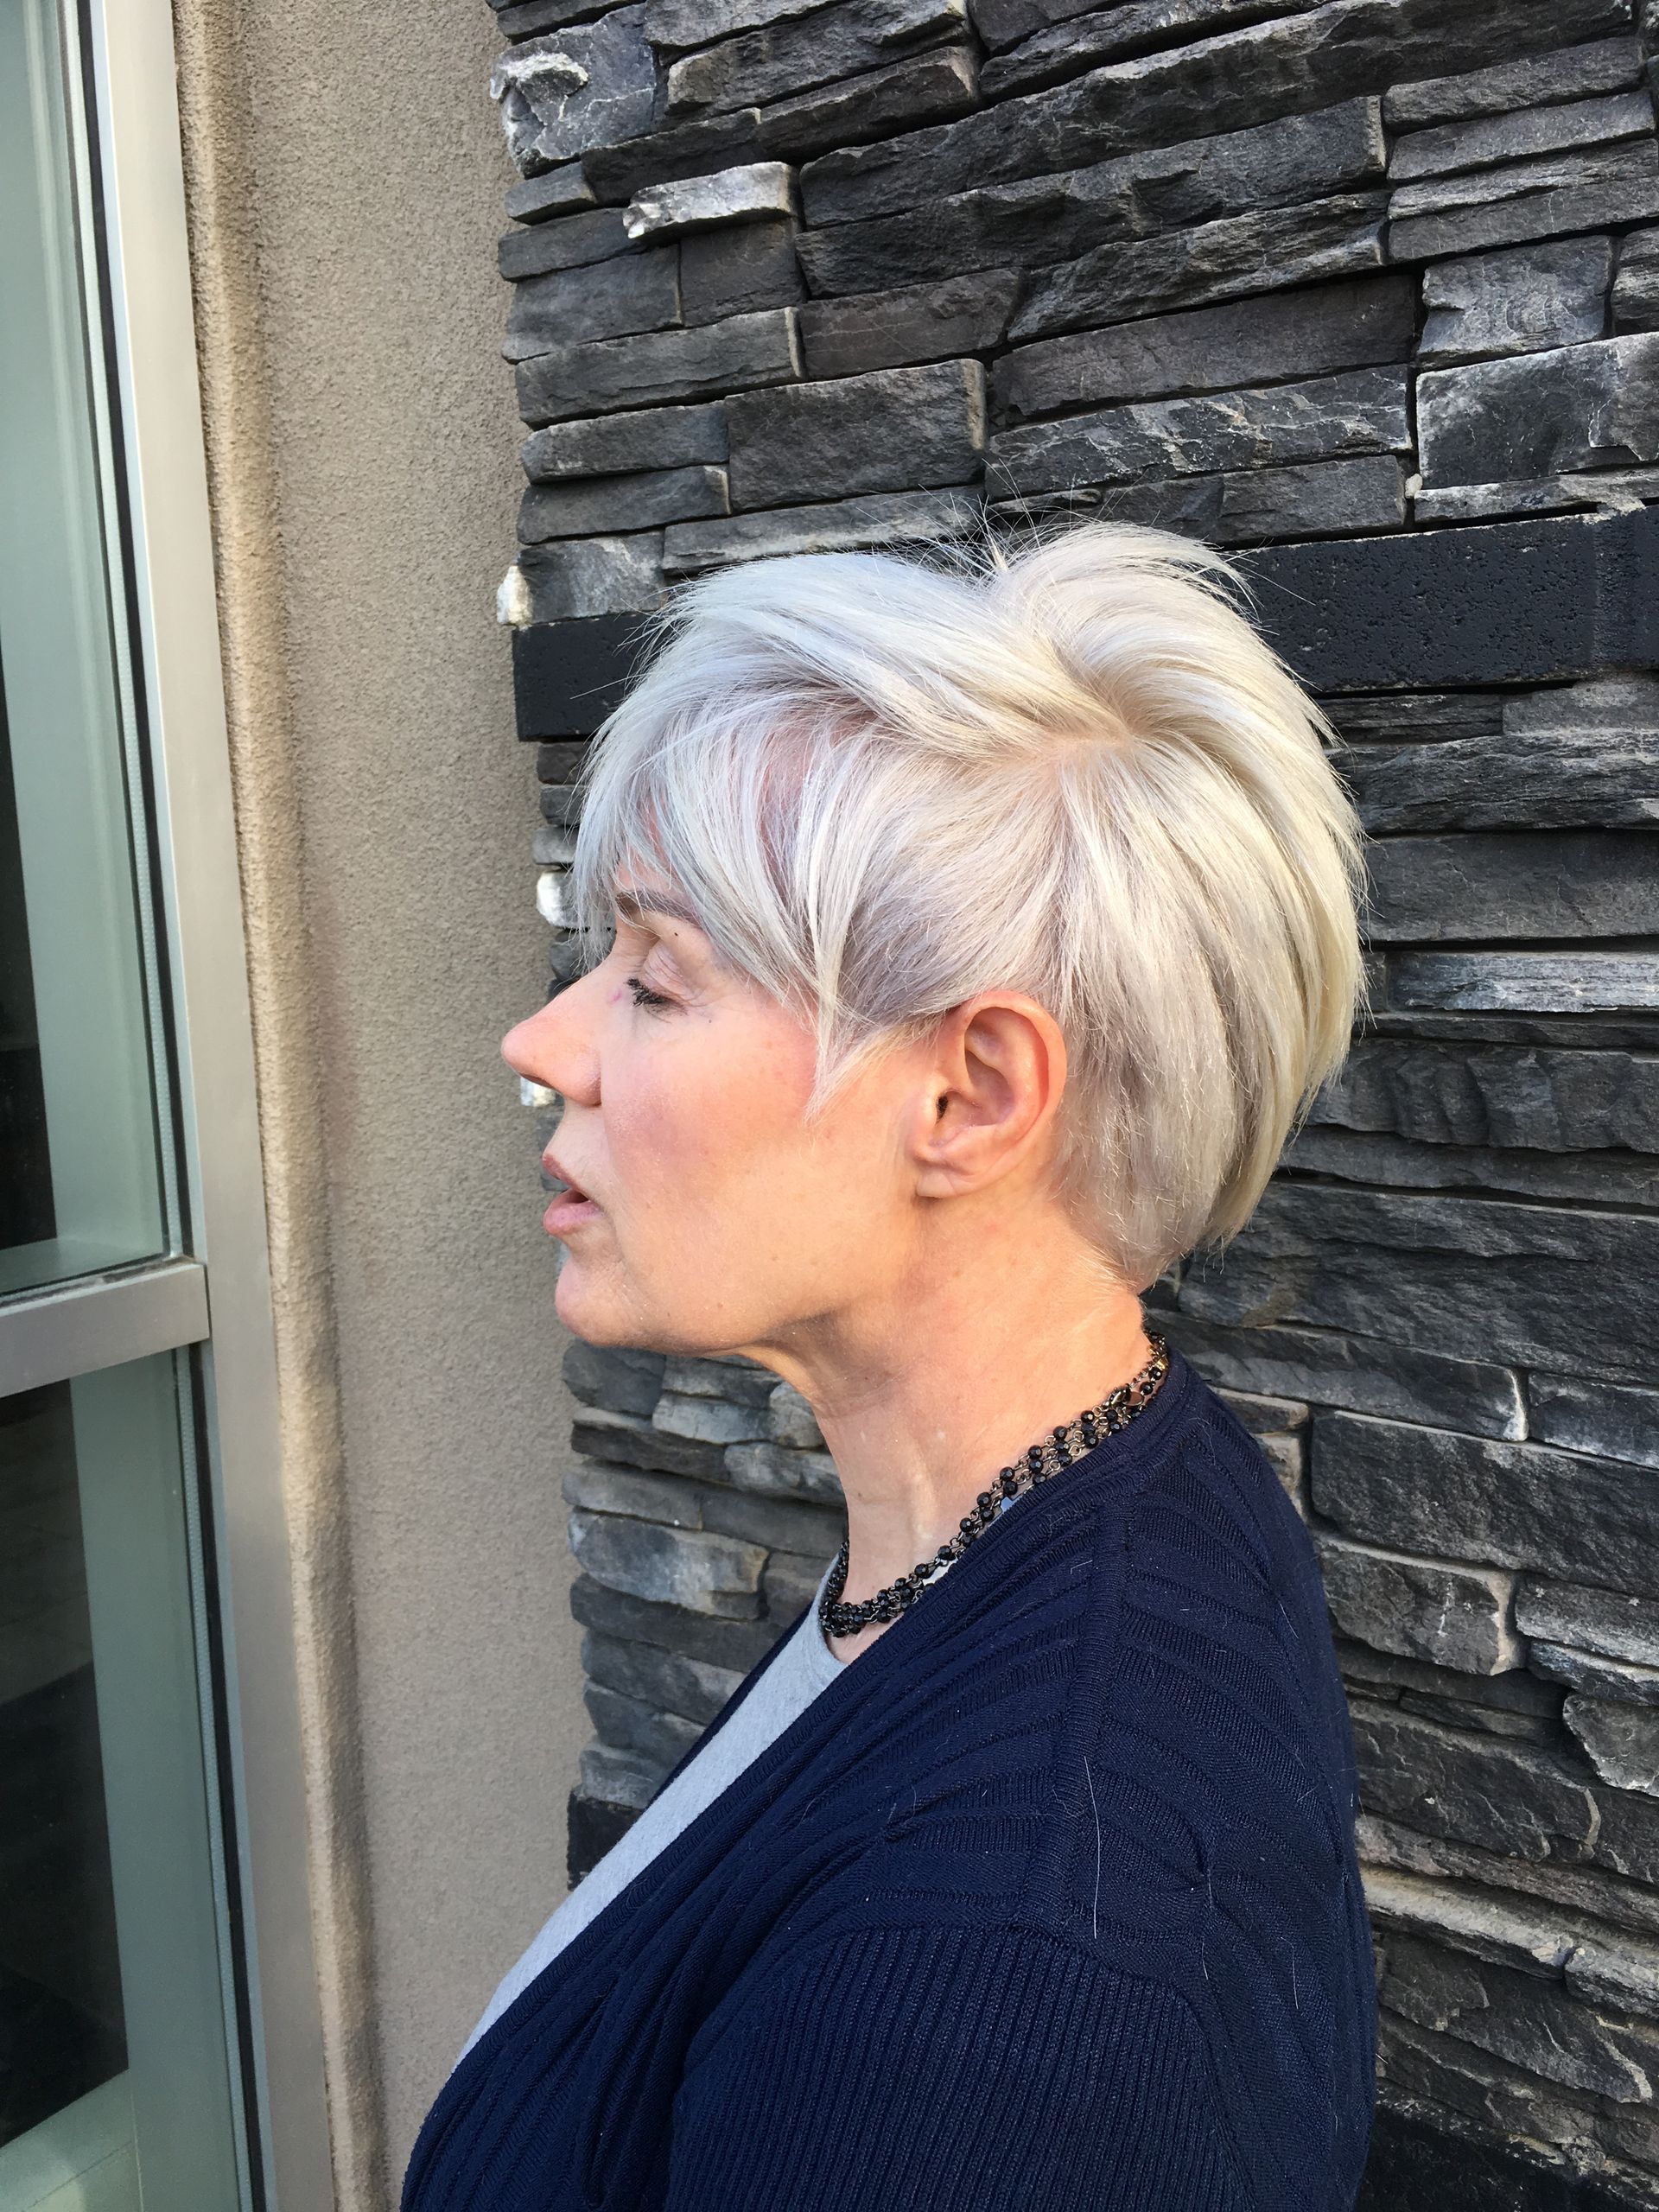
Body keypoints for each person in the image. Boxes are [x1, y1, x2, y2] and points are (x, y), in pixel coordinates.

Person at [403, 524, 1376, 2210]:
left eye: (654, 974)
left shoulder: (997, 2010)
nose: (547, 1042)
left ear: (975, 1093)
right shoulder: (1093, 1496)